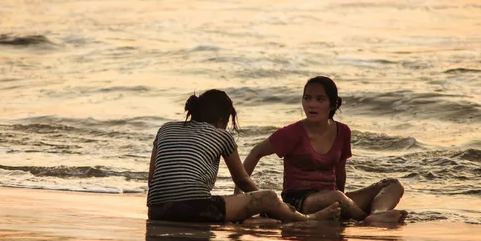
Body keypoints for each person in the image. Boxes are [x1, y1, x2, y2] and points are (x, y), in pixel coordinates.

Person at [147, 89, 341, 224]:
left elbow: (151, 180)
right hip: (195, 210)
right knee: (269, 196)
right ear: (223, 119)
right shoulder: (222, 135)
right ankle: (308, 219)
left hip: (156, 211)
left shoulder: (166, 129)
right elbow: (242, 179)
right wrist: (269, 204)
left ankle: (251, 222)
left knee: (234, 207)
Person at [240, 76, 407, 224]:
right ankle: (366, 219)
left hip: (332, 196)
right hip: (299, 201)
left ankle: (378, 213)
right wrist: (244, 196)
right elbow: (256, 152)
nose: (312, 104)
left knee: (393, 184)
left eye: (320, 99)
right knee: (337, 198)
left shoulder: (343, 131)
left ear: (332, 104)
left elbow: (340, 172)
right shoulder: (292, 133)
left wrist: (344, 203)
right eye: (307, 98)